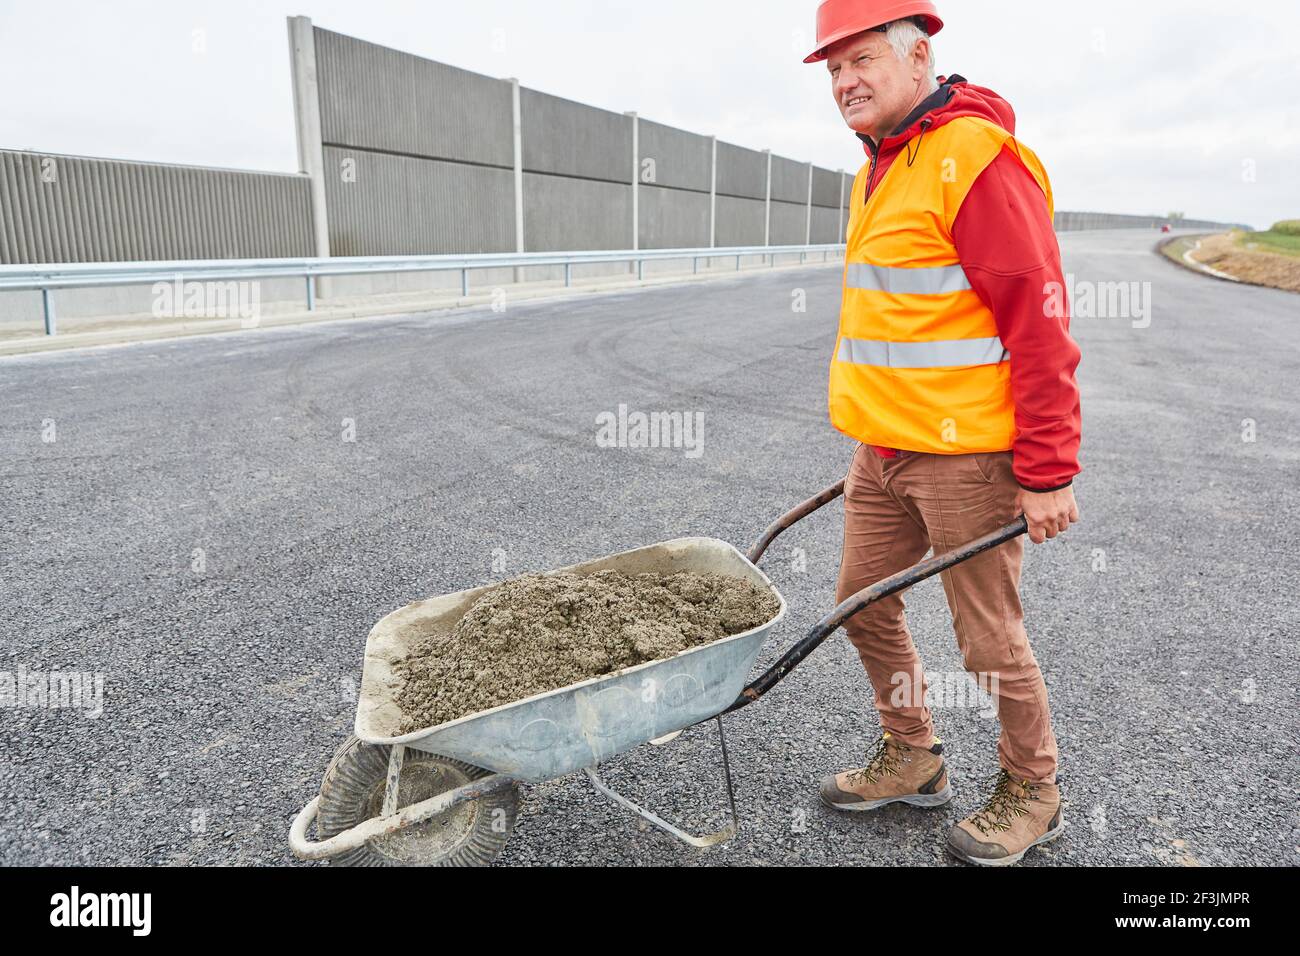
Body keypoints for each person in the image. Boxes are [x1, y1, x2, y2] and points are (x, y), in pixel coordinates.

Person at [804, 0, 1083, 866]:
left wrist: (1046, 471)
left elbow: (1039, 323)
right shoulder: (879, 166)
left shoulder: (972, 158)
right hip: (882, 451)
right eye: (834, 68)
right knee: (861, 604)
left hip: (967, 459)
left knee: (988, 638)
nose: (845, 81)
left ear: (918, 60)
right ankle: (915, 755)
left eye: (862, 61)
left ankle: (1035, 788)